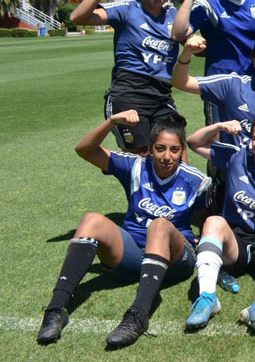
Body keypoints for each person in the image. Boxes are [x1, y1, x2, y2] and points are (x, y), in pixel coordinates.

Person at [37, 112, 210, 348]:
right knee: (92, 220)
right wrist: (111, 123)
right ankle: (56, 309)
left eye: (174, 150)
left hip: (176, 260)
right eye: (160, 148)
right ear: (150, 148)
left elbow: (209, 219)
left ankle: (138, 316)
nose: (167, 156)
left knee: (159, 225)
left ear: (182, 151)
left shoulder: (196, 180)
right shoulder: (136, 166)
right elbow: (84, 150)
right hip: (134, 256)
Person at [183, 116, 255, 336]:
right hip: (234, 243)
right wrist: (219, 126)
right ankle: (207, 298)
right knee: (214, 221)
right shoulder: (236, 157)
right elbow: (193, 142)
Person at [69, 0, 181, 154]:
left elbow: (193, 40)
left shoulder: (174, 15)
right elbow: (77, 17)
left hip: (162, 96)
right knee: (142, 162)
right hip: (129, 95)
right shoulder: (128, 10)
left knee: (177, 152)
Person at [172, 33, 255, 147]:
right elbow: (181, 82)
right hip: (230, 163)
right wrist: (187, 52)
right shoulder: (232, 85)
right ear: (253, 60)